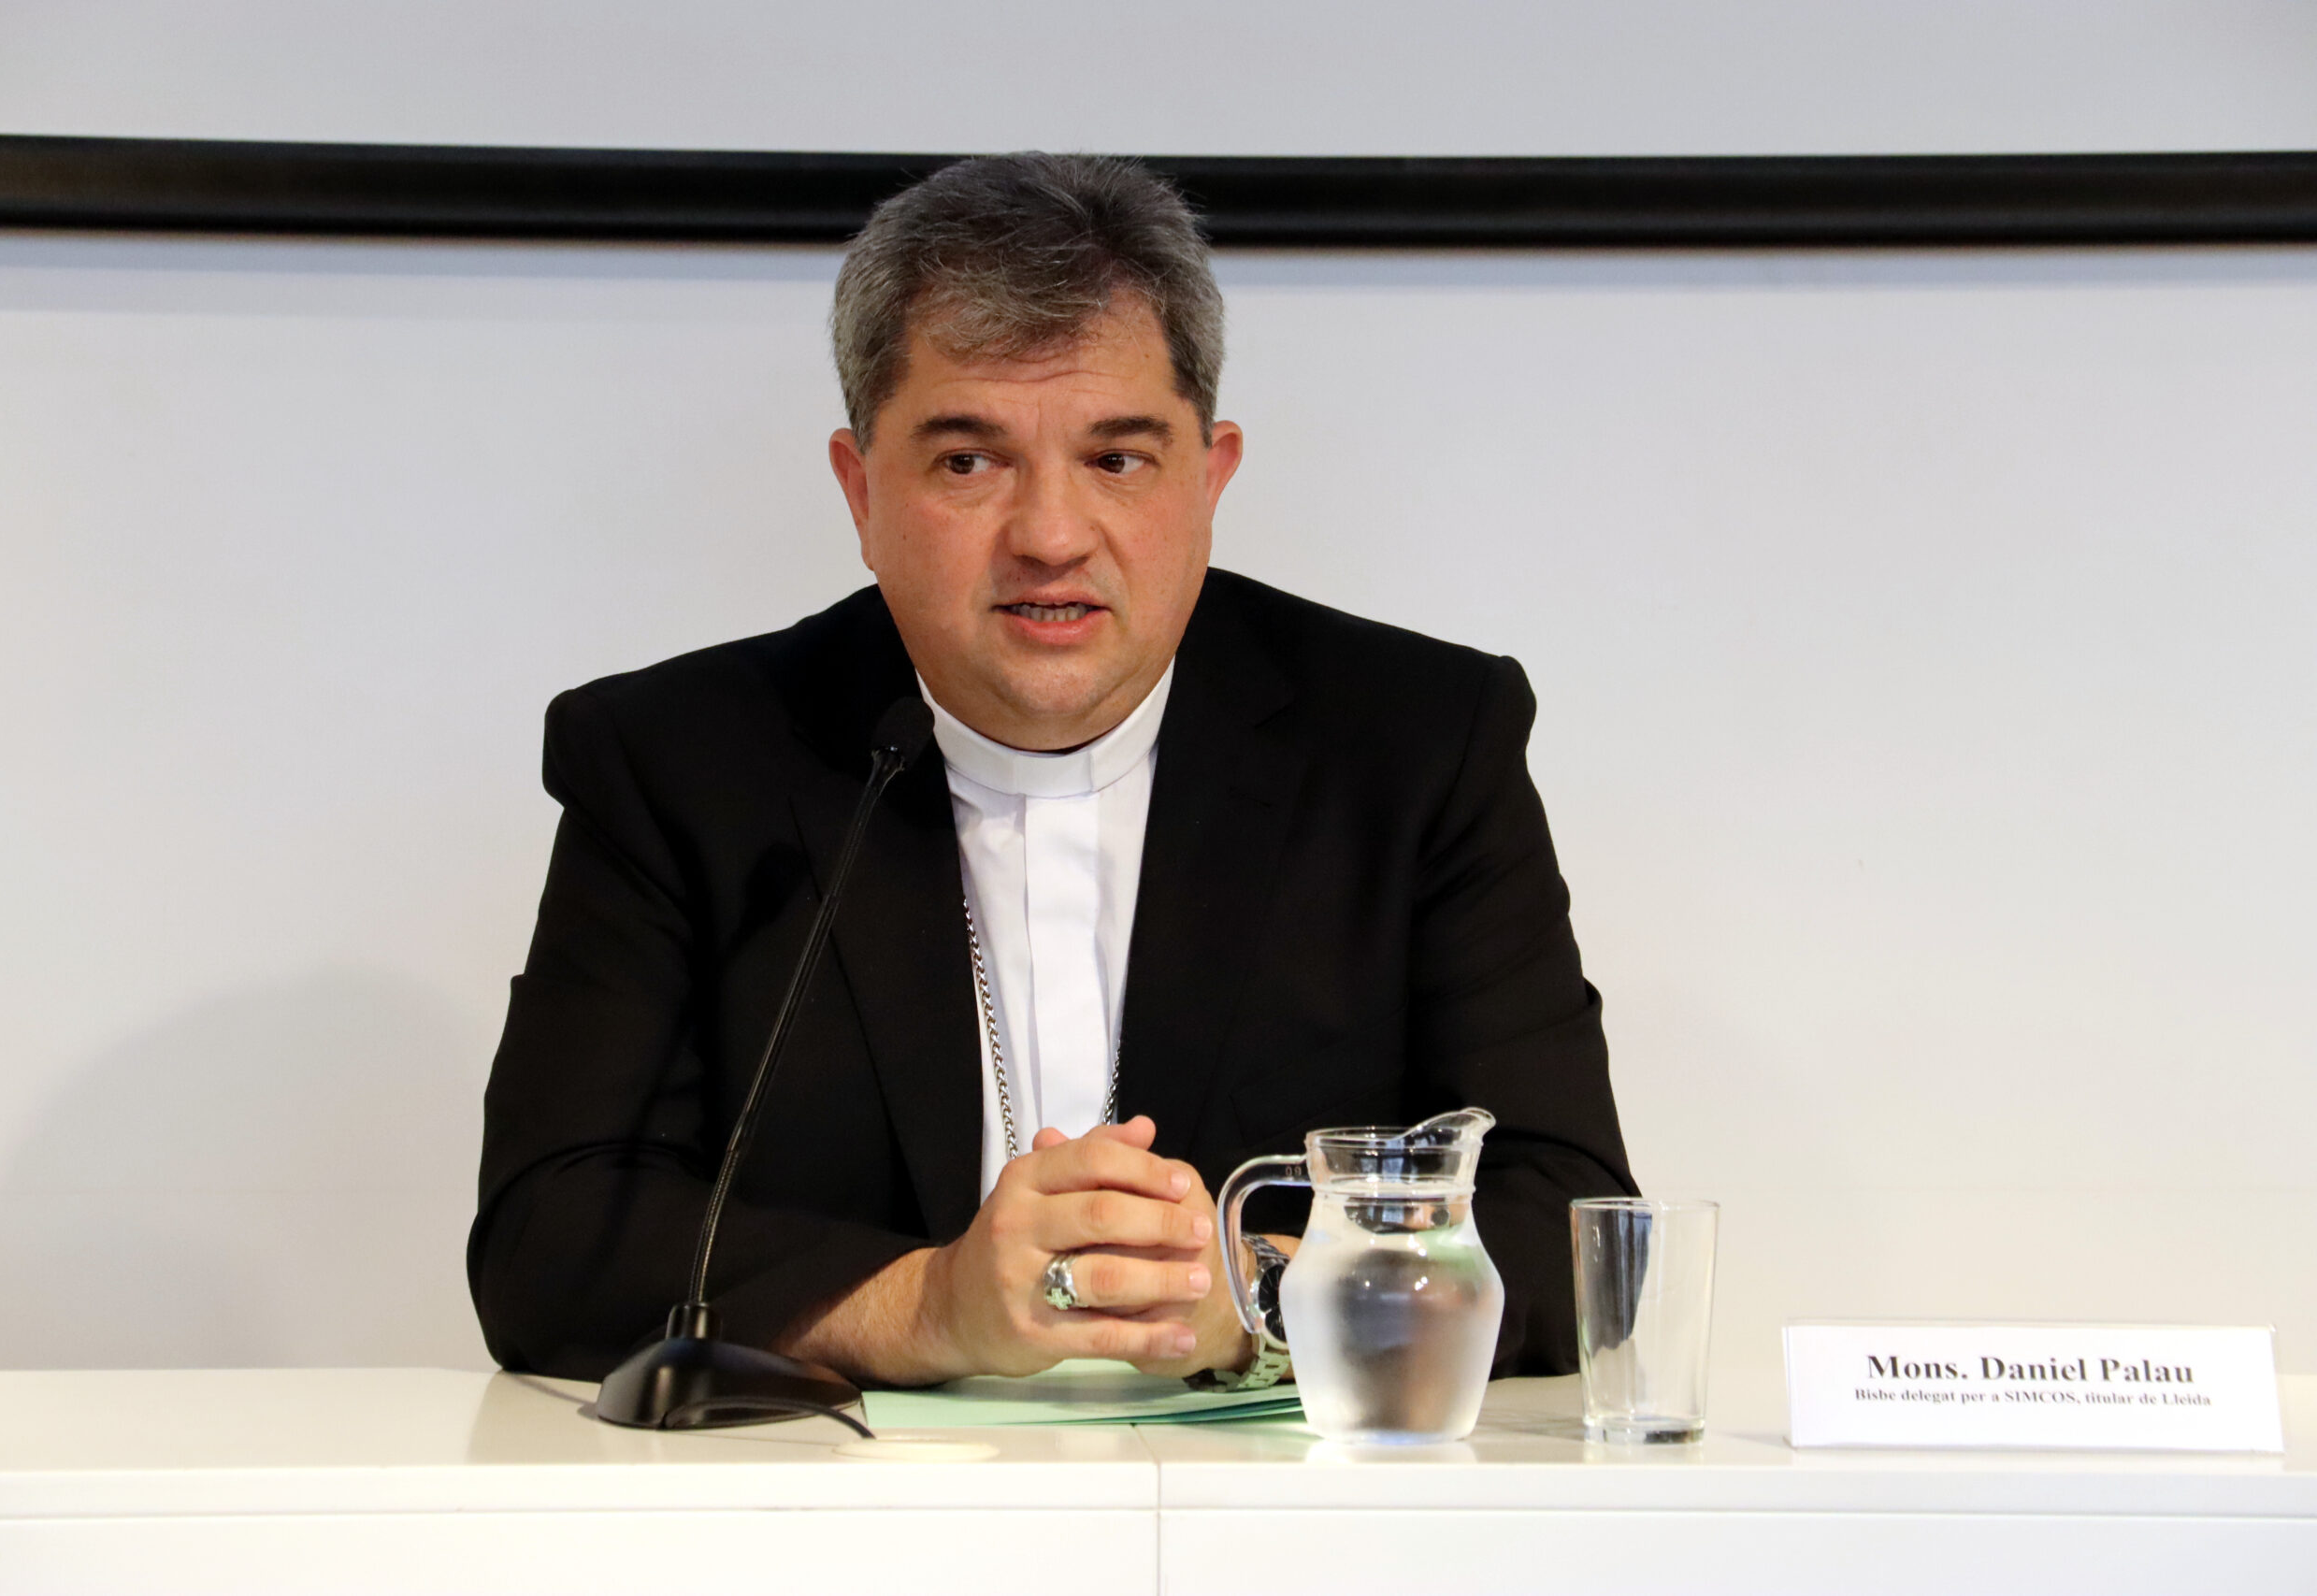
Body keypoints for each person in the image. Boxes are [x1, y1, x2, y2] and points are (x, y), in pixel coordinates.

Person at [468, 153, 1633, 1389]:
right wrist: (927, 1306)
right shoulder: (679, 765)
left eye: (1117, 459)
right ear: (861, 491)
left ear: (1210, 479)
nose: (1051, 536)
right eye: (968, 462)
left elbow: (1571, 1226)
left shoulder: (1413, 747)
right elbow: (549, 1238)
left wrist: (1260, 1297)